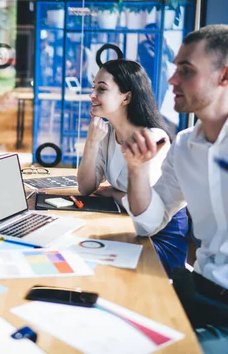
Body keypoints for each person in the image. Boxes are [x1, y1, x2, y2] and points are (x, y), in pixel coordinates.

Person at [121, 25, 228, 352]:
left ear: (226, 76)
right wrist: (137, 170)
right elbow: (149, 222)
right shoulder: (184, 145)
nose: (172, 80)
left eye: (186, 71)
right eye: (176, 68)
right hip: (198, 294)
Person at [77, 59, 188, 276]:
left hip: (159, 239)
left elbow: (149, 213)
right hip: (130, 224)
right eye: (93, 87)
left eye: (101, 89)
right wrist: (92, 141)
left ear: (126, 97)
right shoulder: (107, 134)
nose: (92, 95)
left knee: (88, 261)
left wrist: (115, 193)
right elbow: (85, 188)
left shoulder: (152, 139)